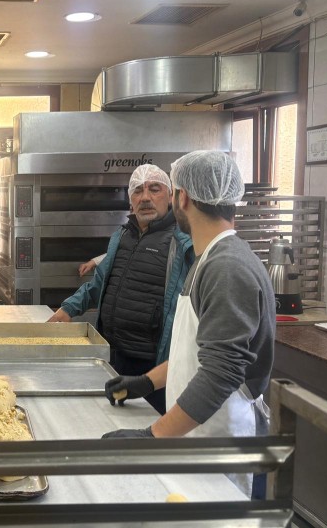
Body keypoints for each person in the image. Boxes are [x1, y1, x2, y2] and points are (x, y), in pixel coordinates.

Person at [102, 151, 275, 498]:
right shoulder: (208, 258)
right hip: (197, 433)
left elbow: (221, 373)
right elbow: (199, 350)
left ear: (183, 197)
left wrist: (153, 437)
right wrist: (148, 381)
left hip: (218, 441)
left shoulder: (226, 267)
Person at [47, 164, 194, 414]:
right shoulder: (122, 236)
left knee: (150, 427)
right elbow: (100, 283)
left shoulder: (182, 243)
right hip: (113, 356)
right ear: (130, 201)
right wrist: (69, 308)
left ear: (170, 196)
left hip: (153, 367)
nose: (145, 197)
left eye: (154, 189)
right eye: (138, 191)